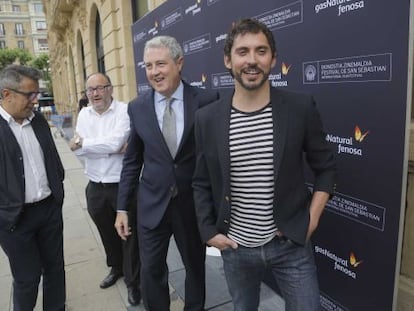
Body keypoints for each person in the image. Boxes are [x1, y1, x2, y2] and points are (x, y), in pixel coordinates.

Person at [192, 18, 337, 311]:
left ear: (273, 59)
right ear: (228, 59)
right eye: (242, 51)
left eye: (261, 51)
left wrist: (312, 220)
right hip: (235, 248)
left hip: (291, 246)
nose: (252, 60)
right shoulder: (207, 118)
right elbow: (200, 181)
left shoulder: (299, 107)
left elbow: (327, 168)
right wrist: (208, 231)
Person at [115, 35, 219, 311]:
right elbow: (132, 161)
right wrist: (122, 208)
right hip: (151, 204)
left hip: (191, 205)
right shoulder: (137, 107)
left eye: (160, 64)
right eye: (148, 66)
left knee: (195, 268)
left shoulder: (207, 100)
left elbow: (216, 158)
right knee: (151, 271)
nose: (154, 72)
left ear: (179, 63)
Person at [69, 72, 141, 306]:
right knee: (106, 233)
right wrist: (103, 146)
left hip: (122, 185)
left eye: (100, 88)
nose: (95, 93)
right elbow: (77, 150)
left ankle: (133, 282)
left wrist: (86, 143)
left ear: (111, 88)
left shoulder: (124, 111)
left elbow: (115, 143)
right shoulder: (84, 114)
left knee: (128, 236)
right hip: (95, 186)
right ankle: (116, 268)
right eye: (90, 90)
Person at [0, 65, 66, 310]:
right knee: (27, 279)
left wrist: (57, 187)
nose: (35, 100)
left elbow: (51, 157)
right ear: (7, 94)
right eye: (29, 94)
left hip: (49, 210)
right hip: (15, 220)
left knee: (55, 270)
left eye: (36, 93)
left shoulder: (37, 119)